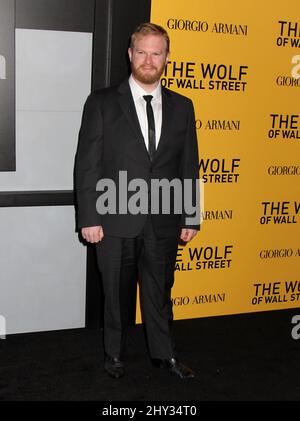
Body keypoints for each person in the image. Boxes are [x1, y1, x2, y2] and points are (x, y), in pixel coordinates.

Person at [75, 23, 200, 379]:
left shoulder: (183, 107)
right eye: (141, 52)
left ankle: (165, 354)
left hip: (162, 217)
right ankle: (114, 354)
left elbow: (189, 164)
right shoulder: (101, 102)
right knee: (114, 290)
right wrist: (89, 216)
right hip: (113, 216)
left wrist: (190, 215)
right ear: (130, 55)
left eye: (156, 53)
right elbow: (87, 164)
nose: (149, 59)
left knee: (160, 289)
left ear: (166, 58)